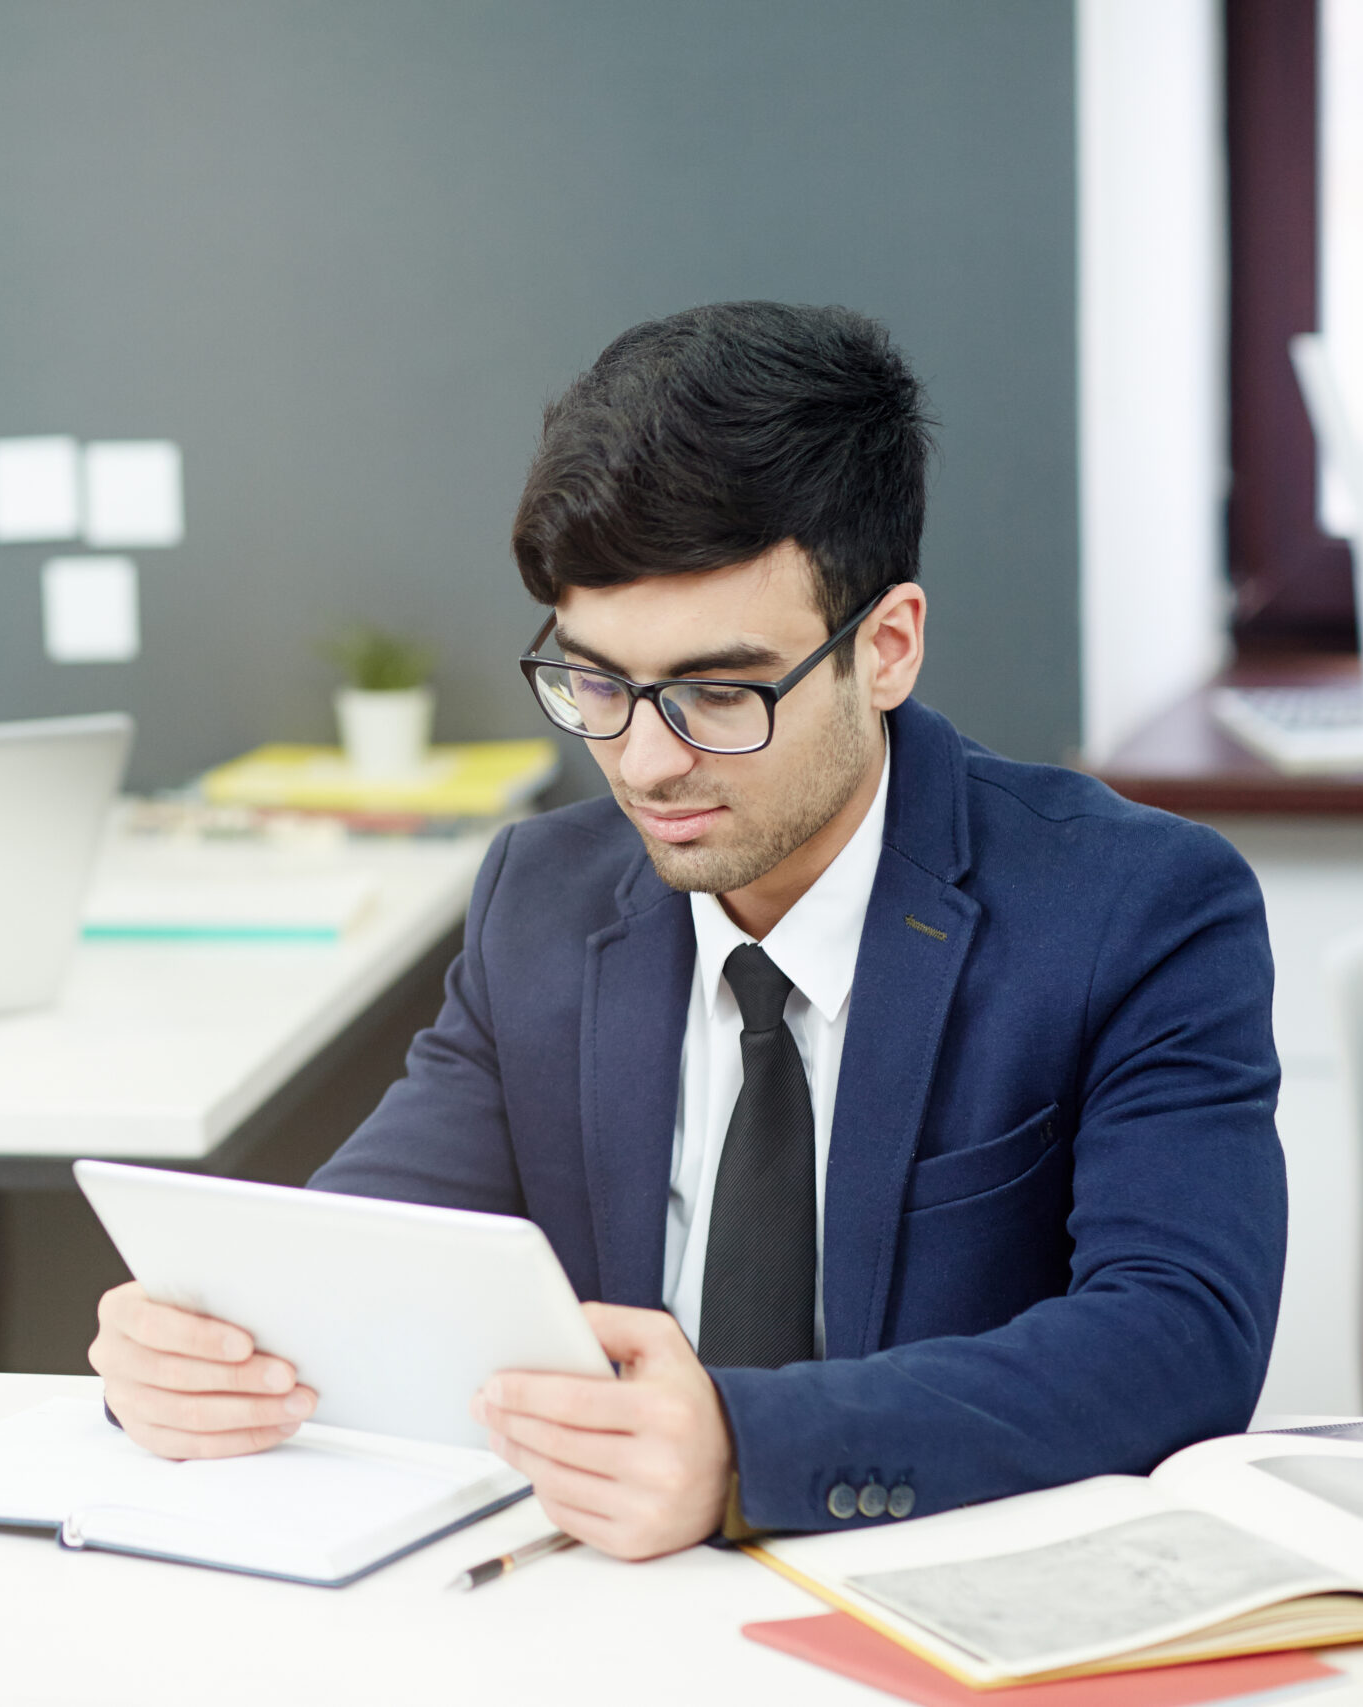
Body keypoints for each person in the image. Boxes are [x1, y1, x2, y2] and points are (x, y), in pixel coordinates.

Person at [87, 301, 1286, 1558]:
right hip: (595, 1612)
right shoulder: (540, 900)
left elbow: (1179, 1336)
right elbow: (361, 1259)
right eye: (595, 683)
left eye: (718, 692)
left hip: (943, 1603)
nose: (646, 762)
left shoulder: (1135, 907)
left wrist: (747, 1449)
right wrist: (183, 1356)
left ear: (884, 648)